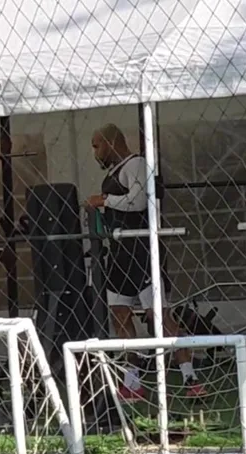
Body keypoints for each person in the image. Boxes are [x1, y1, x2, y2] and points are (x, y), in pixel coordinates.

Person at [86, 124, 202, 400]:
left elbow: (138, 201)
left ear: (111, 142)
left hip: (142, 252)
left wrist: (104, 200)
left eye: (97, 145)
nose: (95, 152)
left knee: (158, 316)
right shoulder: (114, 172)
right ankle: (133, 381)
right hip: (119, 254)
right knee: (120, 315)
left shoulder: (136, 164)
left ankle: (191, 378)